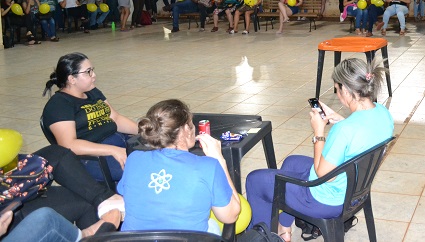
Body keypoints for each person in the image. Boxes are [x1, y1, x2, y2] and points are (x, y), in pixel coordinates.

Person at [245, 57, 394, 242]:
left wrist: (319, 132)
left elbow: (323, 173)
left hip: (326, 200)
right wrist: (339, 119)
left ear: (346, 91)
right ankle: (284, 229)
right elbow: (362, 134)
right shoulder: (382, 113)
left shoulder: (344, 131)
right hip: (356, 189)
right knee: (291, 162)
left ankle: (262, 237)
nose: (337, 93)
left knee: (255, 180)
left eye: (337, 89)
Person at [118, 99, 240, 233]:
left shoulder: (134, 159)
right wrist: (219, 159)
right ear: (186, 129)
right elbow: (230, 216)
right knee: (212, 225)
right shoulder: (208, 166)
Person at [42, 52, 138, 181]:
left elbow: (115, 118)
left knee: (161, 153)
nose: (94, 75)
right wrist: (113, 150)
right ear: (72, 79)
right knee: (143, 171)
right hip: (92, 157)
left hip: (117, 142)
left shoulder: (92, 92)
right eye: (88, 72)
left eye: (92, 70)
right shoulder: (59, 105)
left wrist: (147, 132)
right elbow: (69, 144)